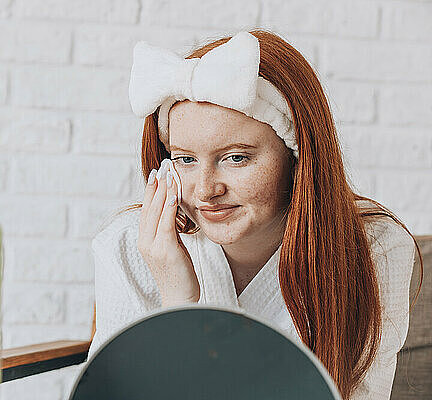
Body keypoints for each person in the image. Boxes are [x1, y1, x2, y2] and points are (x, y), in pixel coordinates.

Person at [86, 30, 424, 400]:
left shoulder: (376, 249)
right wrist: (179, 305)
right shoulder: (125, 245)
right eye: (186, 159)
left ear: (297, 158)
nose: (205, 190)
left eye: (236, 158)